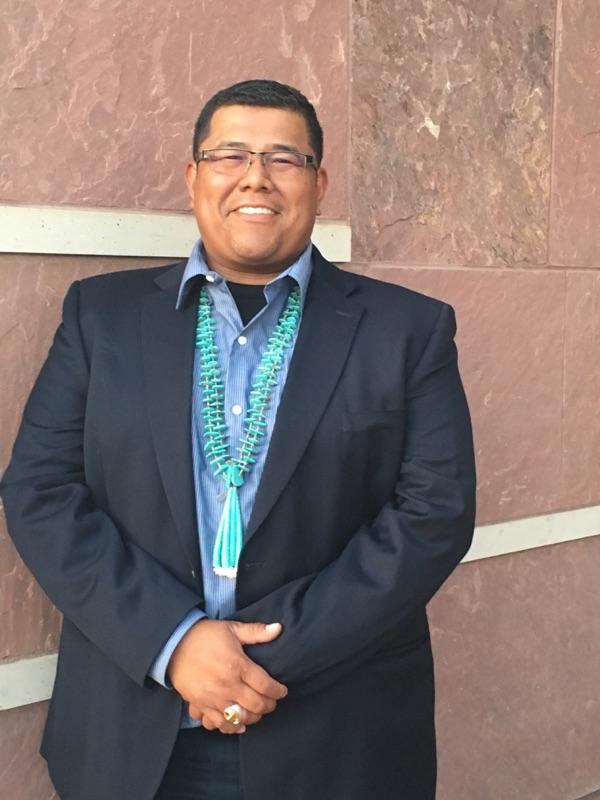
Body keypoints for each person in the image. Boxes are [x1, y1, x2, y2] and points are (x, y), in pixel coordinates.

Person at [1, 79, 476, 800]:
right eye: (230, 155)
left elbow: (433, 515)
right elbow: (41, 491)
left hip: (335, 736)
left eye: (284, 158)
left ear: (319, 183)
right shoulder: (101, 318)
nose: (256, 176)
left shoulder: (408, 331)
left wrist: (248, 666)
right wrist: (174, 643)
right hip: (134, 733)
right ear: (193, 177)